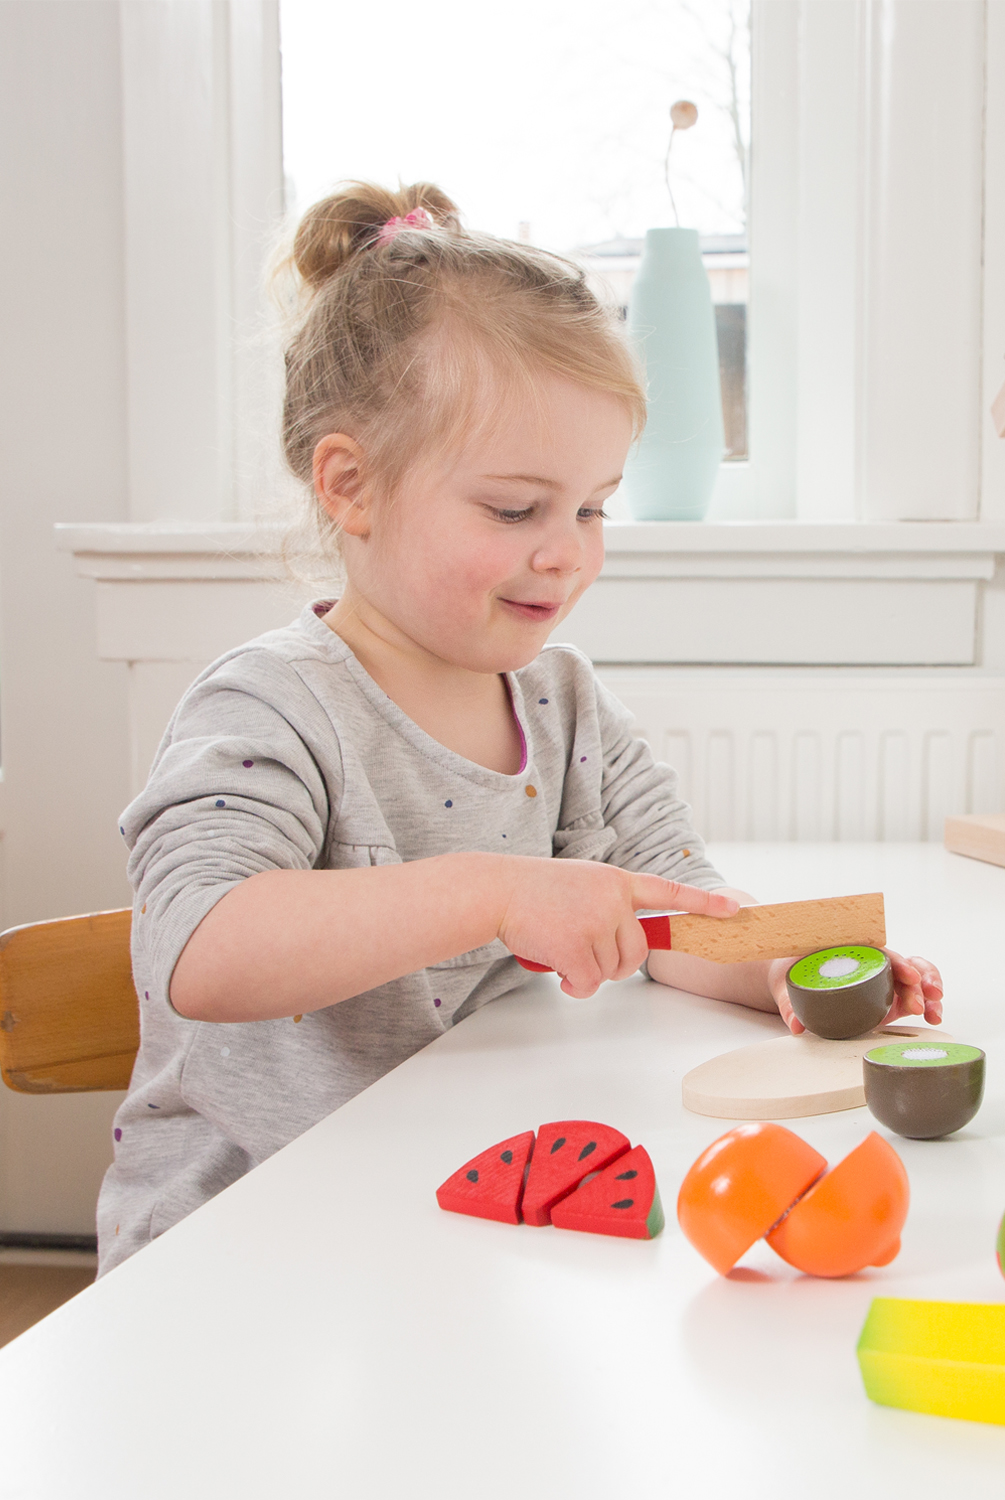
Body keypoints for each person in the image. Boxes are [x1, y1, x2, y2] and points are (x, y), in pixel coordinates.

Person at [95, 183, 943, 1275]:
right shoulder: (271, 706)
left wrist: (782, 968)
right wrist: (499, 891)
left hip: (451, 1208)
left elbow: (674, 903)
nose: (568, 552)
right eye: (514, 510)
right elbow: (197, 950)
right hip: (241, 1245)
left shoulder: (566, 703)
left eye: (593, 507)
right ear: (351, 486)